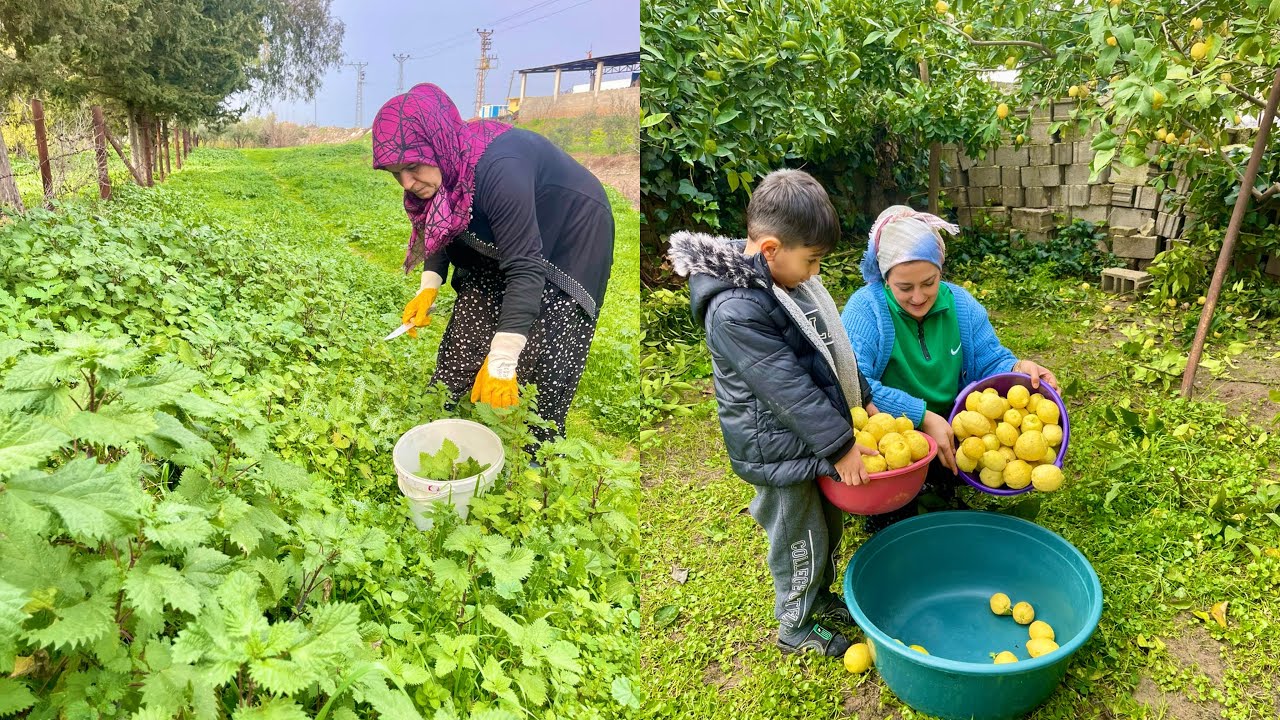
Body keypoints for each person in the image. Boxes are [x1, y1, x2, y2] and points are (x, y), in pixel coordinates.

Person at [668, 169, 878, 658]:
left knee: (826, 527)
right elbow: (789, 389)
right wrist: (841, 445)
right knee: (797, 538)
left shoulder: (786, 284)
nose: (815, 273)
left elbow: (828, 350)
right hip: (777, 451)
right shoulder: (734, 309)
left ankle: (818, 598)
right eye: (812, 260)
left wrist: (862, 396)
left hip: (809, 441)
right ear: (769, 249)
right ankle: (794, 626)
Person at [371, 83, 614, 443]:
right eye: (395, 173)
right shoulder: (445, 166)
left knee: (543, 345)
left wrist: (502, 359)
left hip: (571, 229)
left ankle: (535, 450)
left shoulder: (501, 171)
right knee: (473, 316)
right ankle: (441, 415)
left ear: (437, 148)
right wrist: (429, 286)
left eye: (412, 166)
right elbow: (441, 225)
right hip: (514, 232)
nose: (407, 183)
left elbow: (525, 268)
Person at [840, 205, 1058, 530]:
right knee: (894, 512)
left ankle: (942, 477)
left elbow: (990, 362)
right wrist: (923, 417)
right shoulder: (865, 310)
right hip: (893, 432)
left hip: (954, 425)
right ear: (885, 278)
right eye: (904, 287)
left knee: (951, 487)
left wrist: (1018, 366)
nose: (918, 297)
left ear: (940, 270)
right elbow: (856, 385)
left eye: (929, 283)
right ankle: (893, 499)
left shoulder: (962, 306)